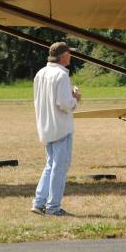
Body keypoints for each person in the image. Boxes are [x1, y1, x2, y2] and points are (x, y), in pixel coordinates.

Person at [32, 41, 81, 216]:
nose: (71, 56)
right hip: (60, 127)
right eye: (69, 53)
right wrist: (75, 98)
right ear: (63, 56)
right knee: (59, 167)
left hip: (46, 126)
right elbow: (64, 103)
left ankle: (39, 202)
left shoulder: (40, 73)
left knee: (50, 165)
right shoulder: (61, 75)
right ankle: (53, 207)